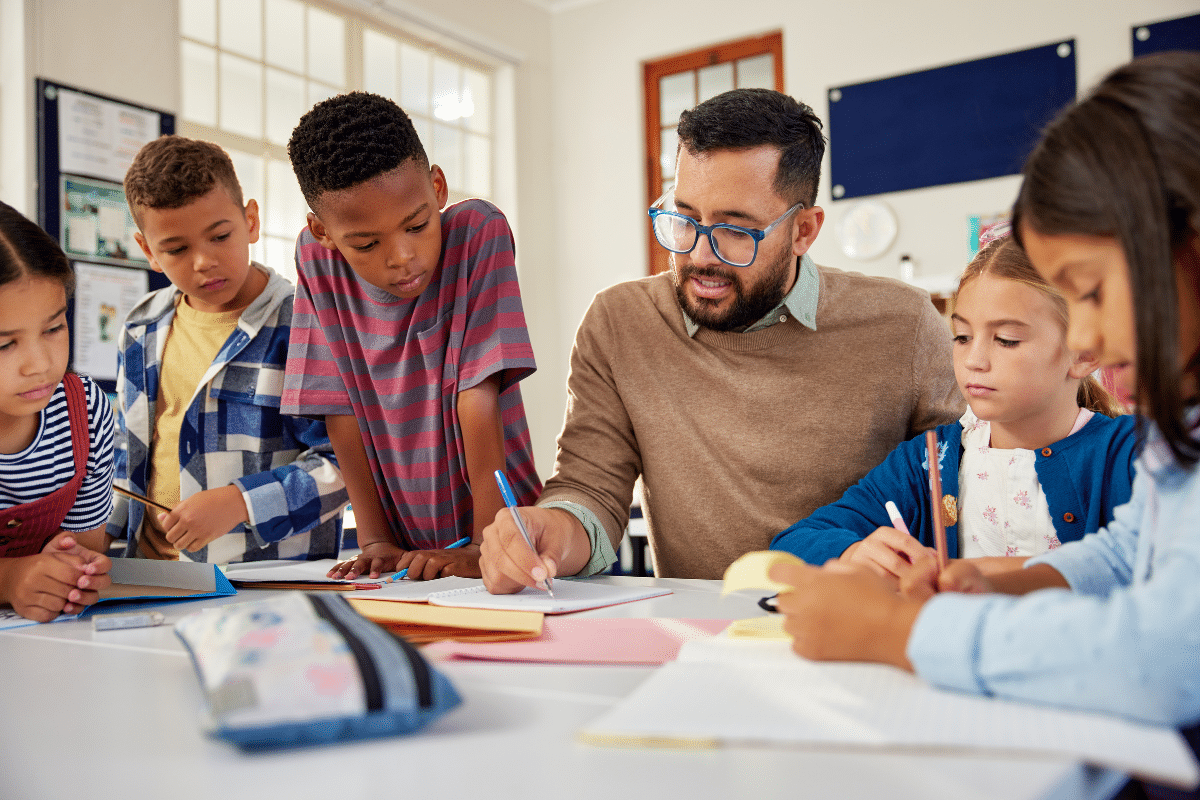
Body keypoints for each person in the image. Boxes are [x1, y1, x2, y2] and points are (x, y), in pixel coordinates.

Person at [772, 52, 1200, 774]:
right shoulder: (1172, 432)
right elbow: (1135, 549)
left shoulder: (1131, 439)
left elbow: (1165, 655)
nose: (1089, 339)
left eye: (1091, 292)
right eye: (963, 337)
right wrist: (999, 580)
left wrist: (904, 632)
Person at [480, 88, 963, 590]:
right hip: (701, 639)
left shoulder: (904, 325)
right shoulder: (620, 323)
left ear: (803, 231)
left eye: (736, 230)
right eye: (685, 219)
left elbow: (970, 486)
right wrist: (549, 532)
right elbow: (590, 489)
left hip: (861, 623)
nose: (700, 255)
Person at [771, 235, 1137, 584]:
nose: (973, 360)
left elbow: (1161, 569)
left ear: (1085, 353)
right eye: (961, 337)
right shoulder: (930, 460)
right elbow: (794, 542)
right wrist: (851, 552)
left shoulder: (1135, 454)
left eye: (1006, 340)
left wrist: (990, 573)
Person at [283, 92, 541, 581]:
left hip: (511, 534)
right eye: (365, 244)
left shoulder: (476, 233)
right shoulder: (318, 264)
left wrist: (488, 543)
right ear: (323, 232)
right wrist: (375, 538)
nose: (402, 256)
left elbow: (477, 394)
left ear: (438, 187)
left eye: (417, 225)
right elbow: (339, 407)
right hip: (407, 554)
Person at [110, 135, 347, 563]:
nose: (203, 261)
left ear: (251, 221)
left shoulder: (304, 324)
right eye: (177, 249)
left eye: (219, 236)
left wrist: (240, 502)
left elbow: (346, 467)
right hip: (147, 575)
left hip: (263, 587)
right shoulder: (139, 327)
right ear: (148, 251)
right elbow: (126, 459)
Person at [0, 200, 114, 620]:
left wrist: (75, 572)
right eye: (4, 344)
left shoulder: (84, 412)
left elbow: (86, 548)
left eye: (53, 328)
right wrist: (11, 579)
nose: (41, 364)